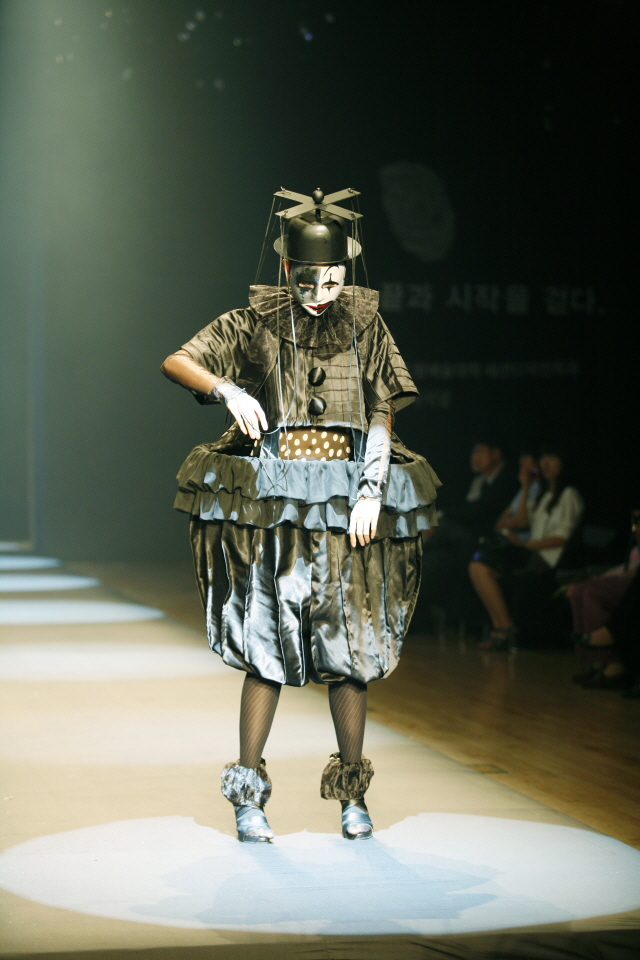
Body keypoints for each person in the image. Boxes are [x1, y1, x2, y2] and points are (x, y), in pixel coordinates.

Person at [161, 187, 440, 843]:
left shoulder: (366, 326)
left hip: (345, 502)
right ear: (288, 268)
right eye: (308, 279)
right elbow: (178, 360)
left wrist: (371, 488)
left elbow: (382, 410)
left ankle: (352, 795)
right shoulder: (256, 322)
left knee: (348, 650)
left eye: (332, 279)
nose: (320, 292)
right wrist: (227, 389)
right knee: (268, 645)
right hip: (279, 502)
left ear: (346, 270)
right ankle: (248, 798)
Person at [469, 445, 583, 649]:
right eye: (543, 458)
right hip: (530, 552)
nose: (545, 463)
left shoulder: (569, 494)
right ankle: (503, 626)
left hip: (546, 559)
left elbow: (561, 538)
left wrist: (525, 543)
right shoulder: (543, 495)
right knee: (478, 564)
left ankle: (505, 629)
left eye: (551, 457)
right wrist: (525, 487)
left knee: (481, 564)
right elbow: (512, 520)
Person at [416, 438, 518, 620]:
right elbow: (467, 511)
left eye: (479, 451)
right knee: (437, 559)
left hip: (489, 541)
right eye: (473, 452)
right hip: (462, 541)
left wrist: (441, 517)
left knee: (441, 528)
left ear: (496, 454)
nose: (474, 457)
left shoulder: (509, 479)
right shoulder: (478, 481)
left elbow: (480, 509)